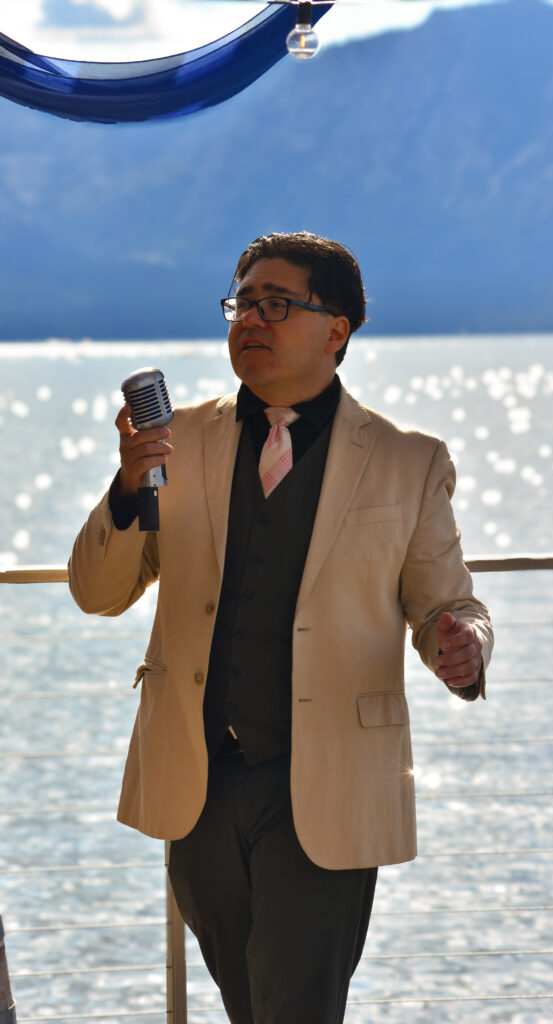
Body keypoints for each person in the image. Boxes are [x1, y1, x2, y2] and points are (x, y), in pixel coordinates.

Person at [69, 231, 493, 1024]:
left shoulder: (406, 459)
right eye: (241, 304)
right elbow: (97, 592)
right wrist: (128, 488)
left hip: (329, 782)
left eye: (275, 304)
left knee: (295, 1005)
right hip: (199, 782)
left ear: (336, 329)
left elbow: (448, 604)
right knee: (249, 1003)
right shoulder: (174, 441)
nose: (249, 321)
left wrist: (461, 645)